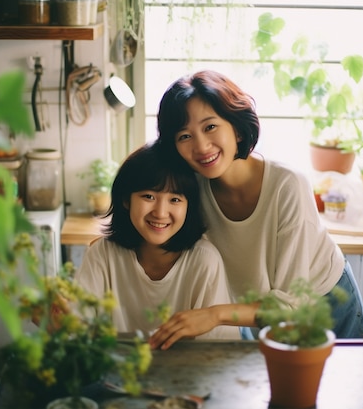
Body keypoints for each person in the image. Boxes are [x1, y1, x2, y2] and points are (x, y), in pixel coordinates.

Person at [150, 70, 363, 350]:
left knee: (345, 390)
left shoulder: (287, 184)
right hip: (259, 308)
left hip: (325, 304)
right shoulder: (191, 189)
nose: (201, 146)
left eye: (210, 127)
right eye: (184, 136)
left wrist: (214, 315)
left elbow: (291, 303)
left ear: (237, 129)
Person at [75, 141, 240, 340]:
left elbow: (217, 350)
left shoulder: (205, 261)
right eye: (148, 196)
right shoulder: (102, 254)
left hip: (187, 369)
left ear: (189, 207)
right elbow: (78, 329)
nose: (160, 213)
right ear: (126, 200)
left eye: (175, 199)